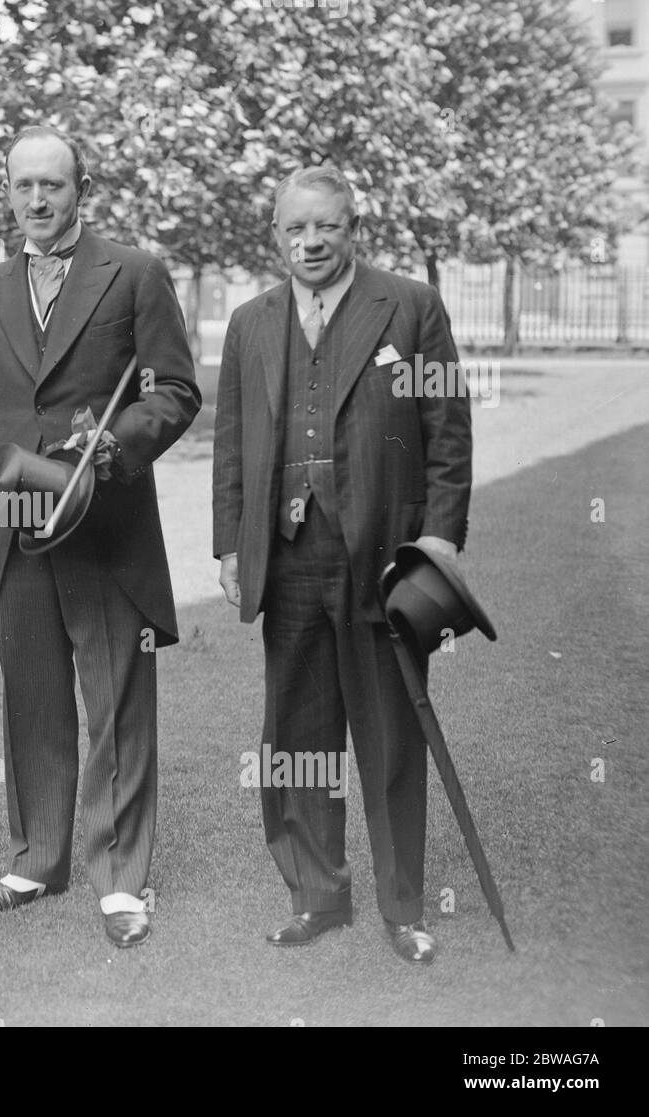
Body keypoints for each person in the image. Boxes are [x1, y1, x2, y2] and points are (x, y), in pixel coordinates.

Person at [0, 125, 200, 947]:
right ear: (9, 190)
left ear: (80, 187)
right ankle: (37, 858)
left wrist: (113, 449)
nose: (38, 199)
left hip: (107, 521)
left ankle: (122, 880)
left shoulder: (135, 274)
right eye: (24, 185)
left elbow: (176, 391)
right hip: (17, 527)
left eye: (53, 184)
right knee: (32, 693)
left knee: (117, 698)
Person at [211, 165, 473, 964]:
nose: (311, 241)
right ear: (277, 235)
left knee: (391, 734)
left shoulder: (411, 306)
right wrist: (230, 544)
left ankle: (403, 907)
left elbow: (448, 429)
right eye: (296, 229)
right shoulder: (251, 321)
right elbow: (232, 443)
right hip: (287, 560)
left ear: (353, 227)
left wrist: (441, 538)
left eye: (326, 226)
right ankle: (317, 893)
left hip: (384, 560)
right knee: (297, 735)